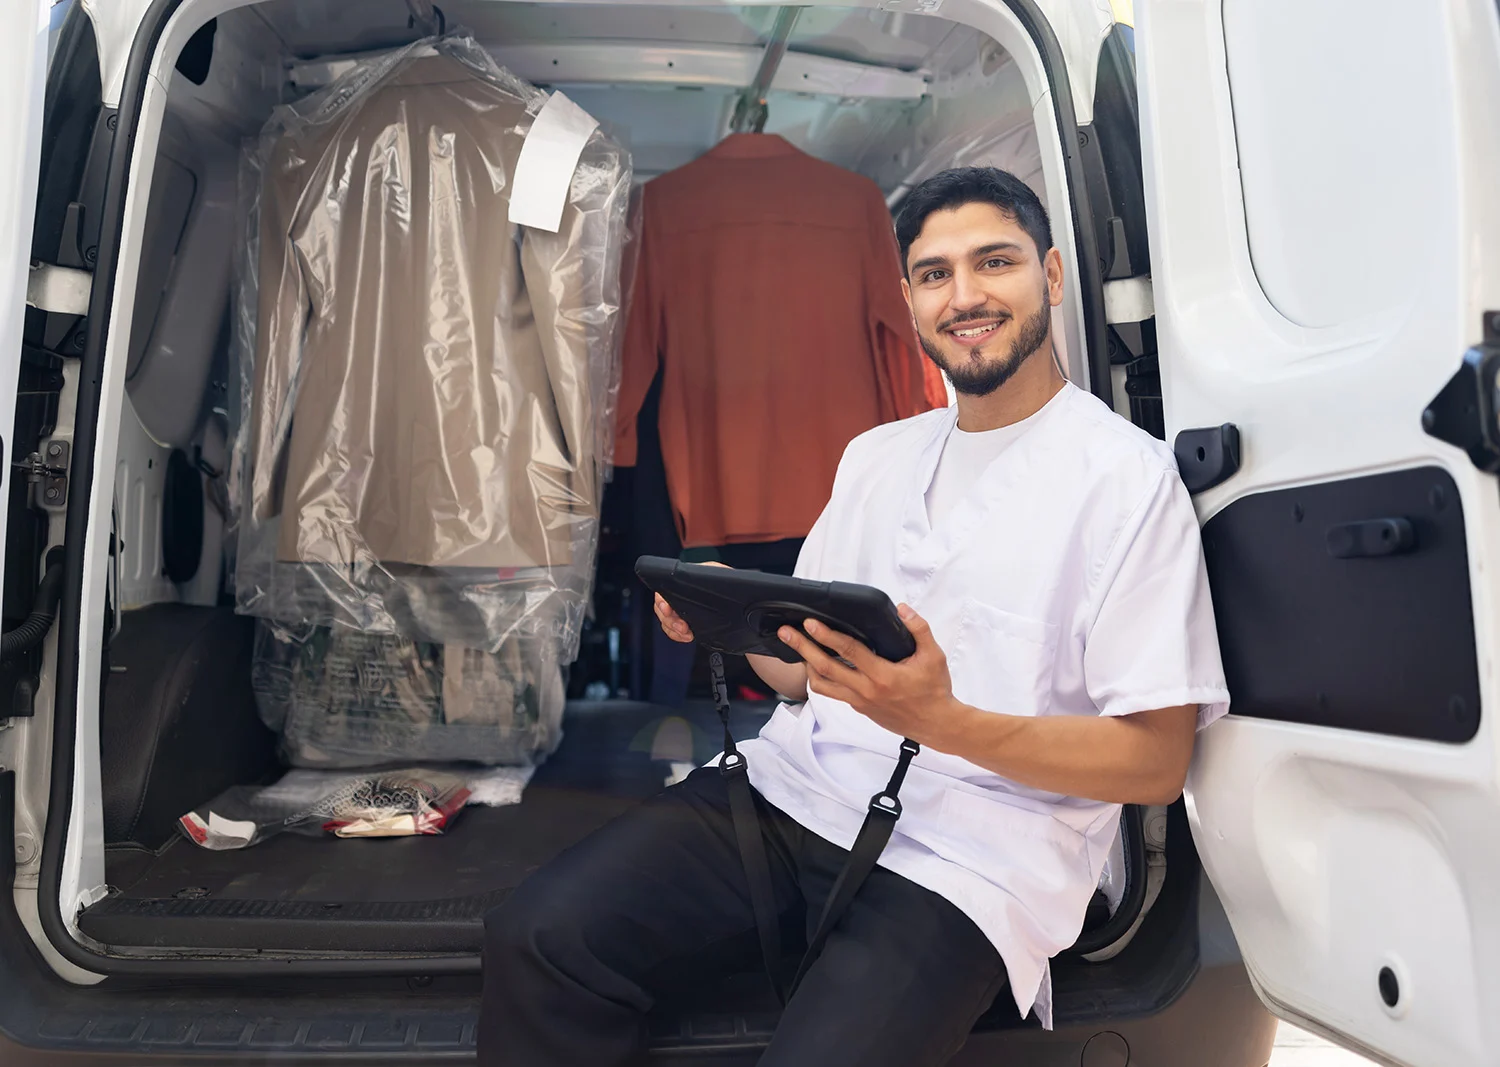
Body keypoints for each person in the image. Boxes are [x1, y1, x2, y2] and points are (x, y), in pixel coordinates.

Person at [477, 166, 1229, 1067]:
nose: (966, 295)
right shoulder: (877, 457)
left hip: (980, 855)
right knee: (542, 936)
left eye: (996, 262)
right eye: (935, 273)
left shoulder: (1127, 480)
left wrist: (944, 723)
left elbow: (1155, 758)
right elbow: (806, 675)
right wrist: (730, 622)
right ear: (907, 299)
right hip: (797, 789)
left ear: (1053, 276)